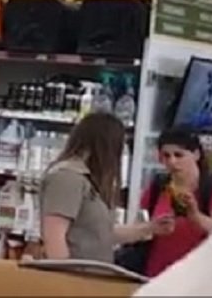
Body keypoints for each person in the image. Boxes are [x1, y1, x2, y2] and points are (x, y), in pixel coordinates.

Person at [38, 112, 163, 262]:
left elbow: (100, 234)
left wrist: (150, 228)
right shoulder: (67, 177)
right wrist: (66, 278)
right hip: (76, 277)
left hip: (92, 275)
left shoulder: (88, 179)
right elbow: (54, 237)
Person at [137, 128, 212, 277]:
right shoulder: (157, 188)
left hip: (197, 278)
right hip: (156, 275)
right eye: (166, 156)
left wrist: (196, 216)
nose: (172, 161)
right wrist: (150, 228)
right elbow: (140, 227)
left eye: (178, 155)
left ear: (196, 154)